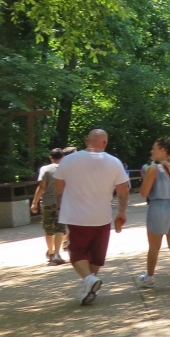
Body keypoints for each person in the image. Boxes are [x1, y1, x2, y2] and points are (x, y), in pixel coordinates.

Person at [53, 130, 129, 306]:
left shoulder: (68, 160)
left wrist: (59, 208)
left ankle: (88, 280)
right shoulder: (114, 162)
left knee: (77, 251)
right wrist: (121, 212)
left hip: (75, 216)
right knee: (97, 254)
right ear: (104, 143)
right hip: (102, 216)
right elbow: (123, 190)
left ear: (87, 141)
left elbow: (58, 188)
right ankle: (90, 286)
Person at [136, 138, 170, 290]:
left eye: (154, 148)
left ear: (163, 150)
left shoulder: (153, 169)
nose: (151, 151)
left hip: (159, 207)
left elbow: (143, 192)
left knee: (154, 246)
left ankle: (150, 277)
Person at [31, 148, 67, 265]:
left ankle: (51, 253)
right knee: (59, 228)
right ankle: (57, 253)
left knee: (48, 228)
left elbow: (42, 187)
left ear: (51, 157)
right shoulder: (66, 169)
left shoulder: (45, 169)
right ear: (63, 157)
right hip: (62, 202)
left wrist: (34, 202)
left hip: (47, 202)